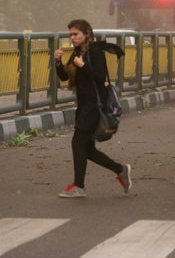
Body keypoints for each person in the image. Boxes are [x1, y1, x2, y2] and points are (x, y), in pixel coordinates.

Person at [54, 19, 132, 198]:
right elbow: (65, 77)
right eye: (71, 35)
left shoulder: (95, 51)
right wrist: (58, 62)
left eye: (76, 34)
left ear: (86, 34)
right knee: (87, 149)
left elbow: (100, 77)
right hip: (84, 105)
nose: (72, 38)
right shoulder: (77, 52)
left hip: (94, 106)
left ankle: (79, 187)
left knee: (77, 143)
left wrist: (84, 66)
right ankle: (120, 170)